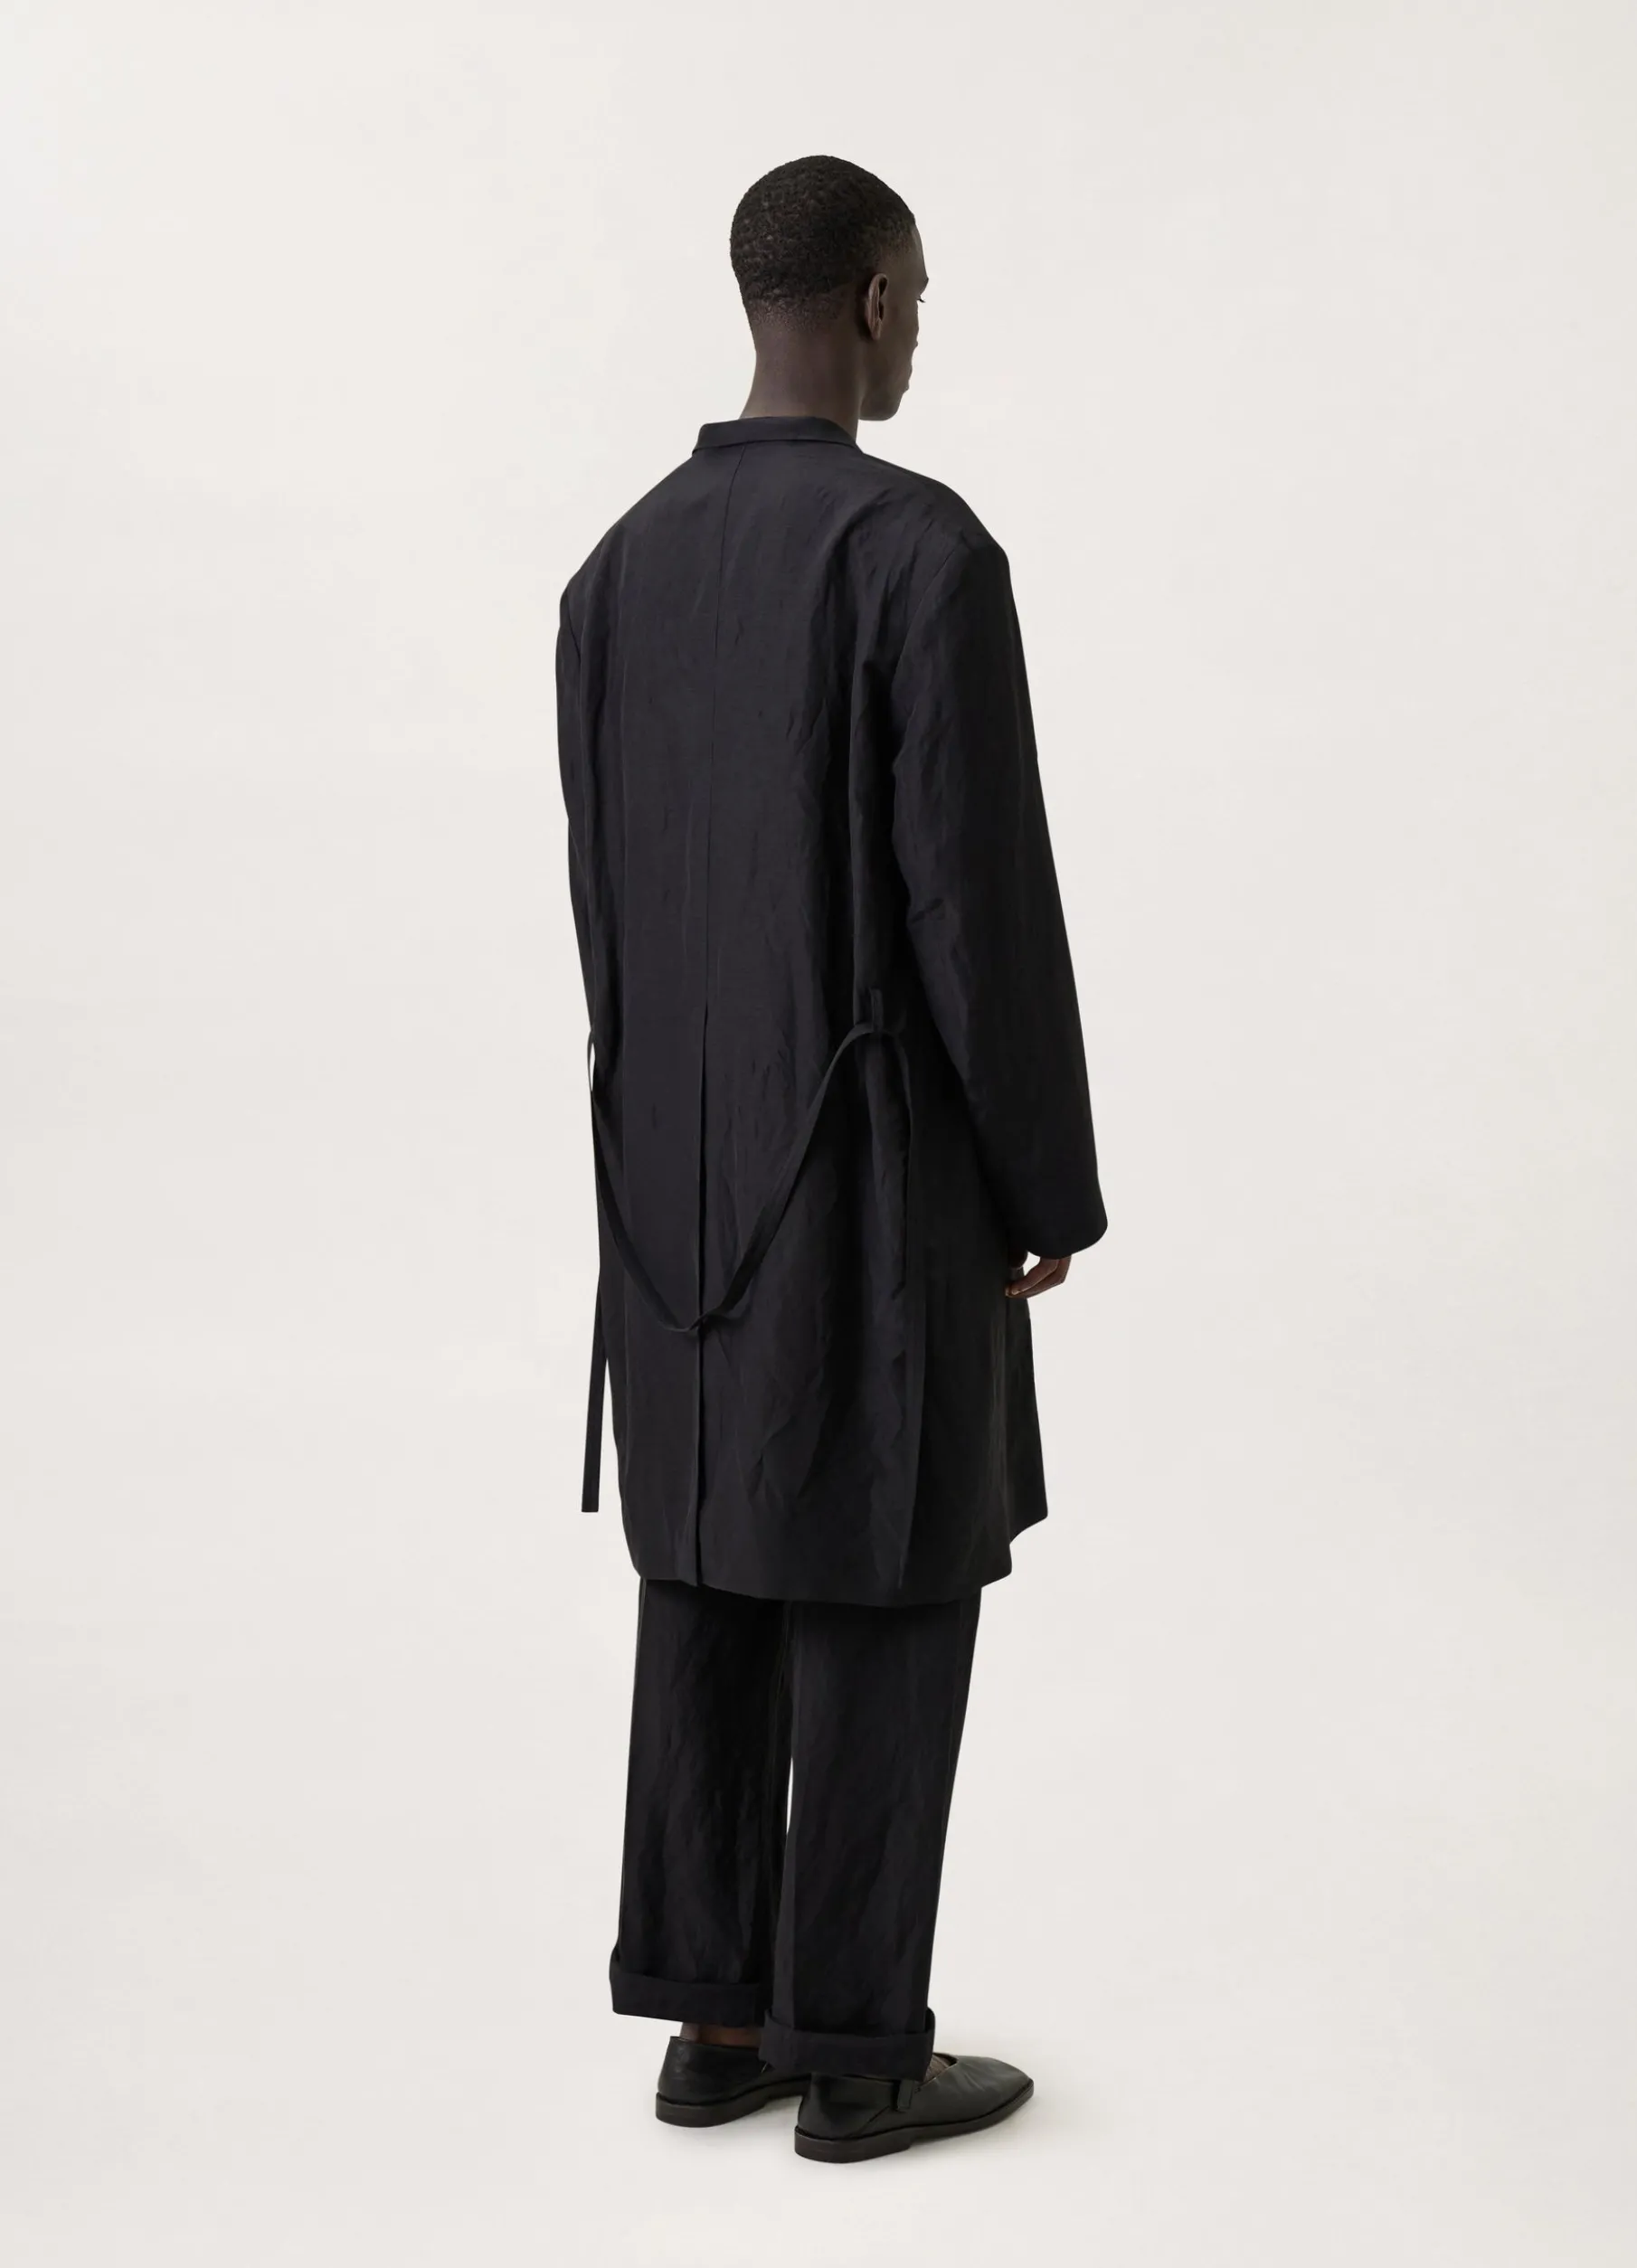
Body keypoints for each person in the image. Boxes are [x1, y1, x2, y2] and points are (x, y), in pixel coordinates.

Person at [555, 154, 1107, 2163]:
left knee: (706, 1564)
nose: (918, 330)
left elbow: (605, 913)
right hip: (867, 1173)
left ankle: (714, 2021)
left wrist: (649, 1153)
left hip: (666, 1187)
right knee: (883, 1571)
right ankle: (860, 2051)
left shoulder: (612, 572)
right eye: (919, 296)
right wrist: (1042, 1182)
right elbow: (979, 909)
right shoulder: (917, 552)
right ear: (871, 301)